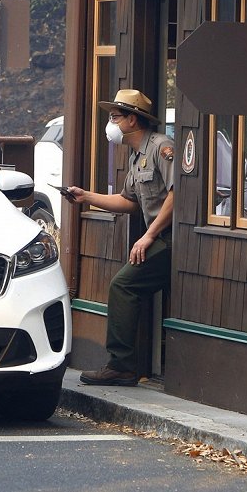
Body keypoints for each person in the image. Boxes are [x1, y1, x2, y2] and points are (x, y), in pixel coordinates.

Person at [61, 88, 175, 387]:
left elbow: (178, 195)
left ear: (133, 121)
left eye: (115, 117)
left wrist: (148, 236)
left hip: (172, 239)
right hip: (158, 237)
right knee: (125, 285)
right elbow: (128, 201)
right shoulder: (137, 158)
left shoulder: (161, 148)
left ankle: (122, 366)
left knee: (123, 285)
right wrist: (85, 197)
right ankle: (123, 364)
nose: (111, 124)